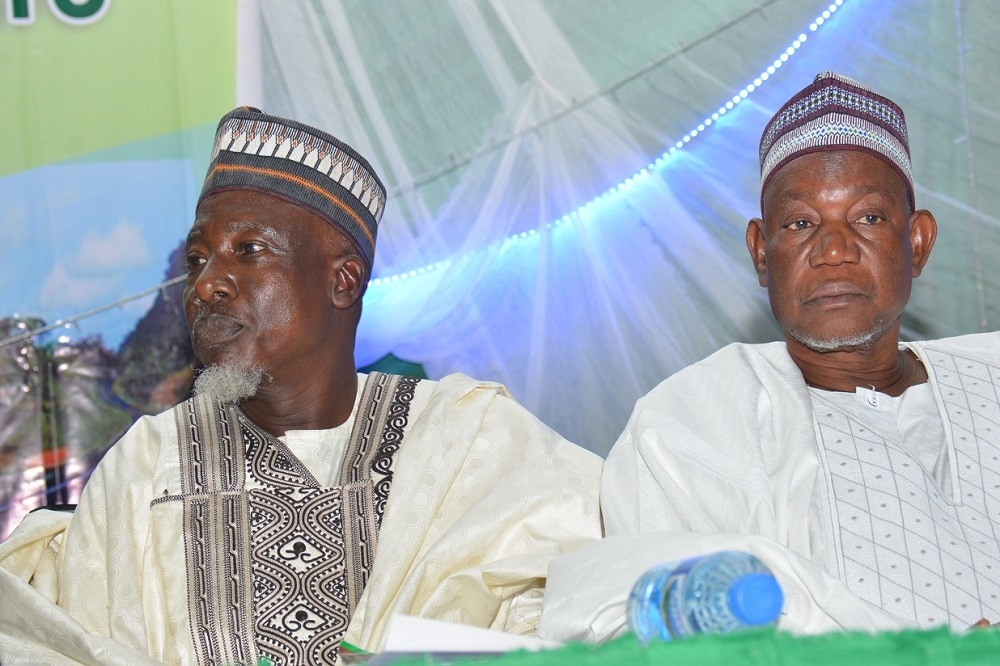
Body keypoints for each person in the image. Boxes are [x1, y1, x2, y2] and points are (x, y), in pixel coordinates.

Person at [0, 107, 602, 665]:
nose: (207, 284)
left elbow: (577, 614)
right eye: (198, 259)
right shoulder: (146, 463)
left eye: (249, 250)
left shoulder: (470, 442)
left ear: (343, 281)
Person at [539, 71, 1000, 643]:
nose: (833, 250)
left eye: (868, 218)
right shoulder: (688, 426)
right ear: (762, 253)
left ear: (917, 241)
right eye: (802, 223)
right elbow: (635, 620)